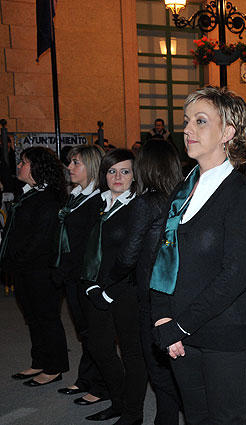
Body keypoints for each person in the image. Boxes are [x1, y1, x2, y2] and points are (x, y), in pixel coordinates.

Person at [150, 86, 246, 425]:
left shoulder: (240, 196)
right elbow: (163, 257)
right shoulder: (183, 188)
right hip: (179, 333)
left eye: (200, 121)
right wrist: (162, 317)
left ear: (228, 133)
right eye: (186, 121)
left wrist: (180, 325)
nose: (187, 130)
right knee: (195, 418)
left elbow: (235, 275)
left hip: (224, 335)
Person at [99, 141, 183, 425]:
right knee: (181, 366)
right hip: (184, 292)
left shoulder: (146, 203)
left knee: (158, 369)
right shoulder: (188, 196)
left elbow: (129, 254)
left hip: (152, 293)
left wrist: (106, 282)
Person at [80, 148, 147, 424]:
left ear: (135, 175)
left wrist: (111, 290)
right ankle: (118, 401)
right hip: (94, 288)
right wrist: (89, 285)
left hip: (125, 290)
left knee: (132, 353)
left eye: (125, 171)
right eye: (111, 171)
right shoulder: (97, 203)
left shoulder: (138, 206)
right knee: (99, 348)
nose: (117, 177)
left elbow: (137, 257)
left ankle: (133, 413)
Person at [1, 147, 69, 386]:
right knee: (32, 317)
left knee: (47, 318)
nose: (18, 166)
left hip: (41, 269)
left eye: (23, 162)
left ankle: (54, 367)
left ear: (37, 167)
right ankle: (39, 361)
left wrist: (15, 259)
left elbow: (40, 238)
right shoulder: (30, 193)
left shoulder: (49, 197)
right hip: (25, 268)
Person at [52, 144, 109, 405]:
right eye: (70, 162)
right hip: (72, 275)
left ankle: (100, 384)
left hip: (86, 277)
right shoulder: (75, 195)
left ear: (91, 167)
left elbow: (90, 246)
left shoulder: (97, 200)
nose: (70, 167)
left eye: (76, 163)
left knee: (94, 333)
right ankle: (86, 378)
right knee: (84, 332)